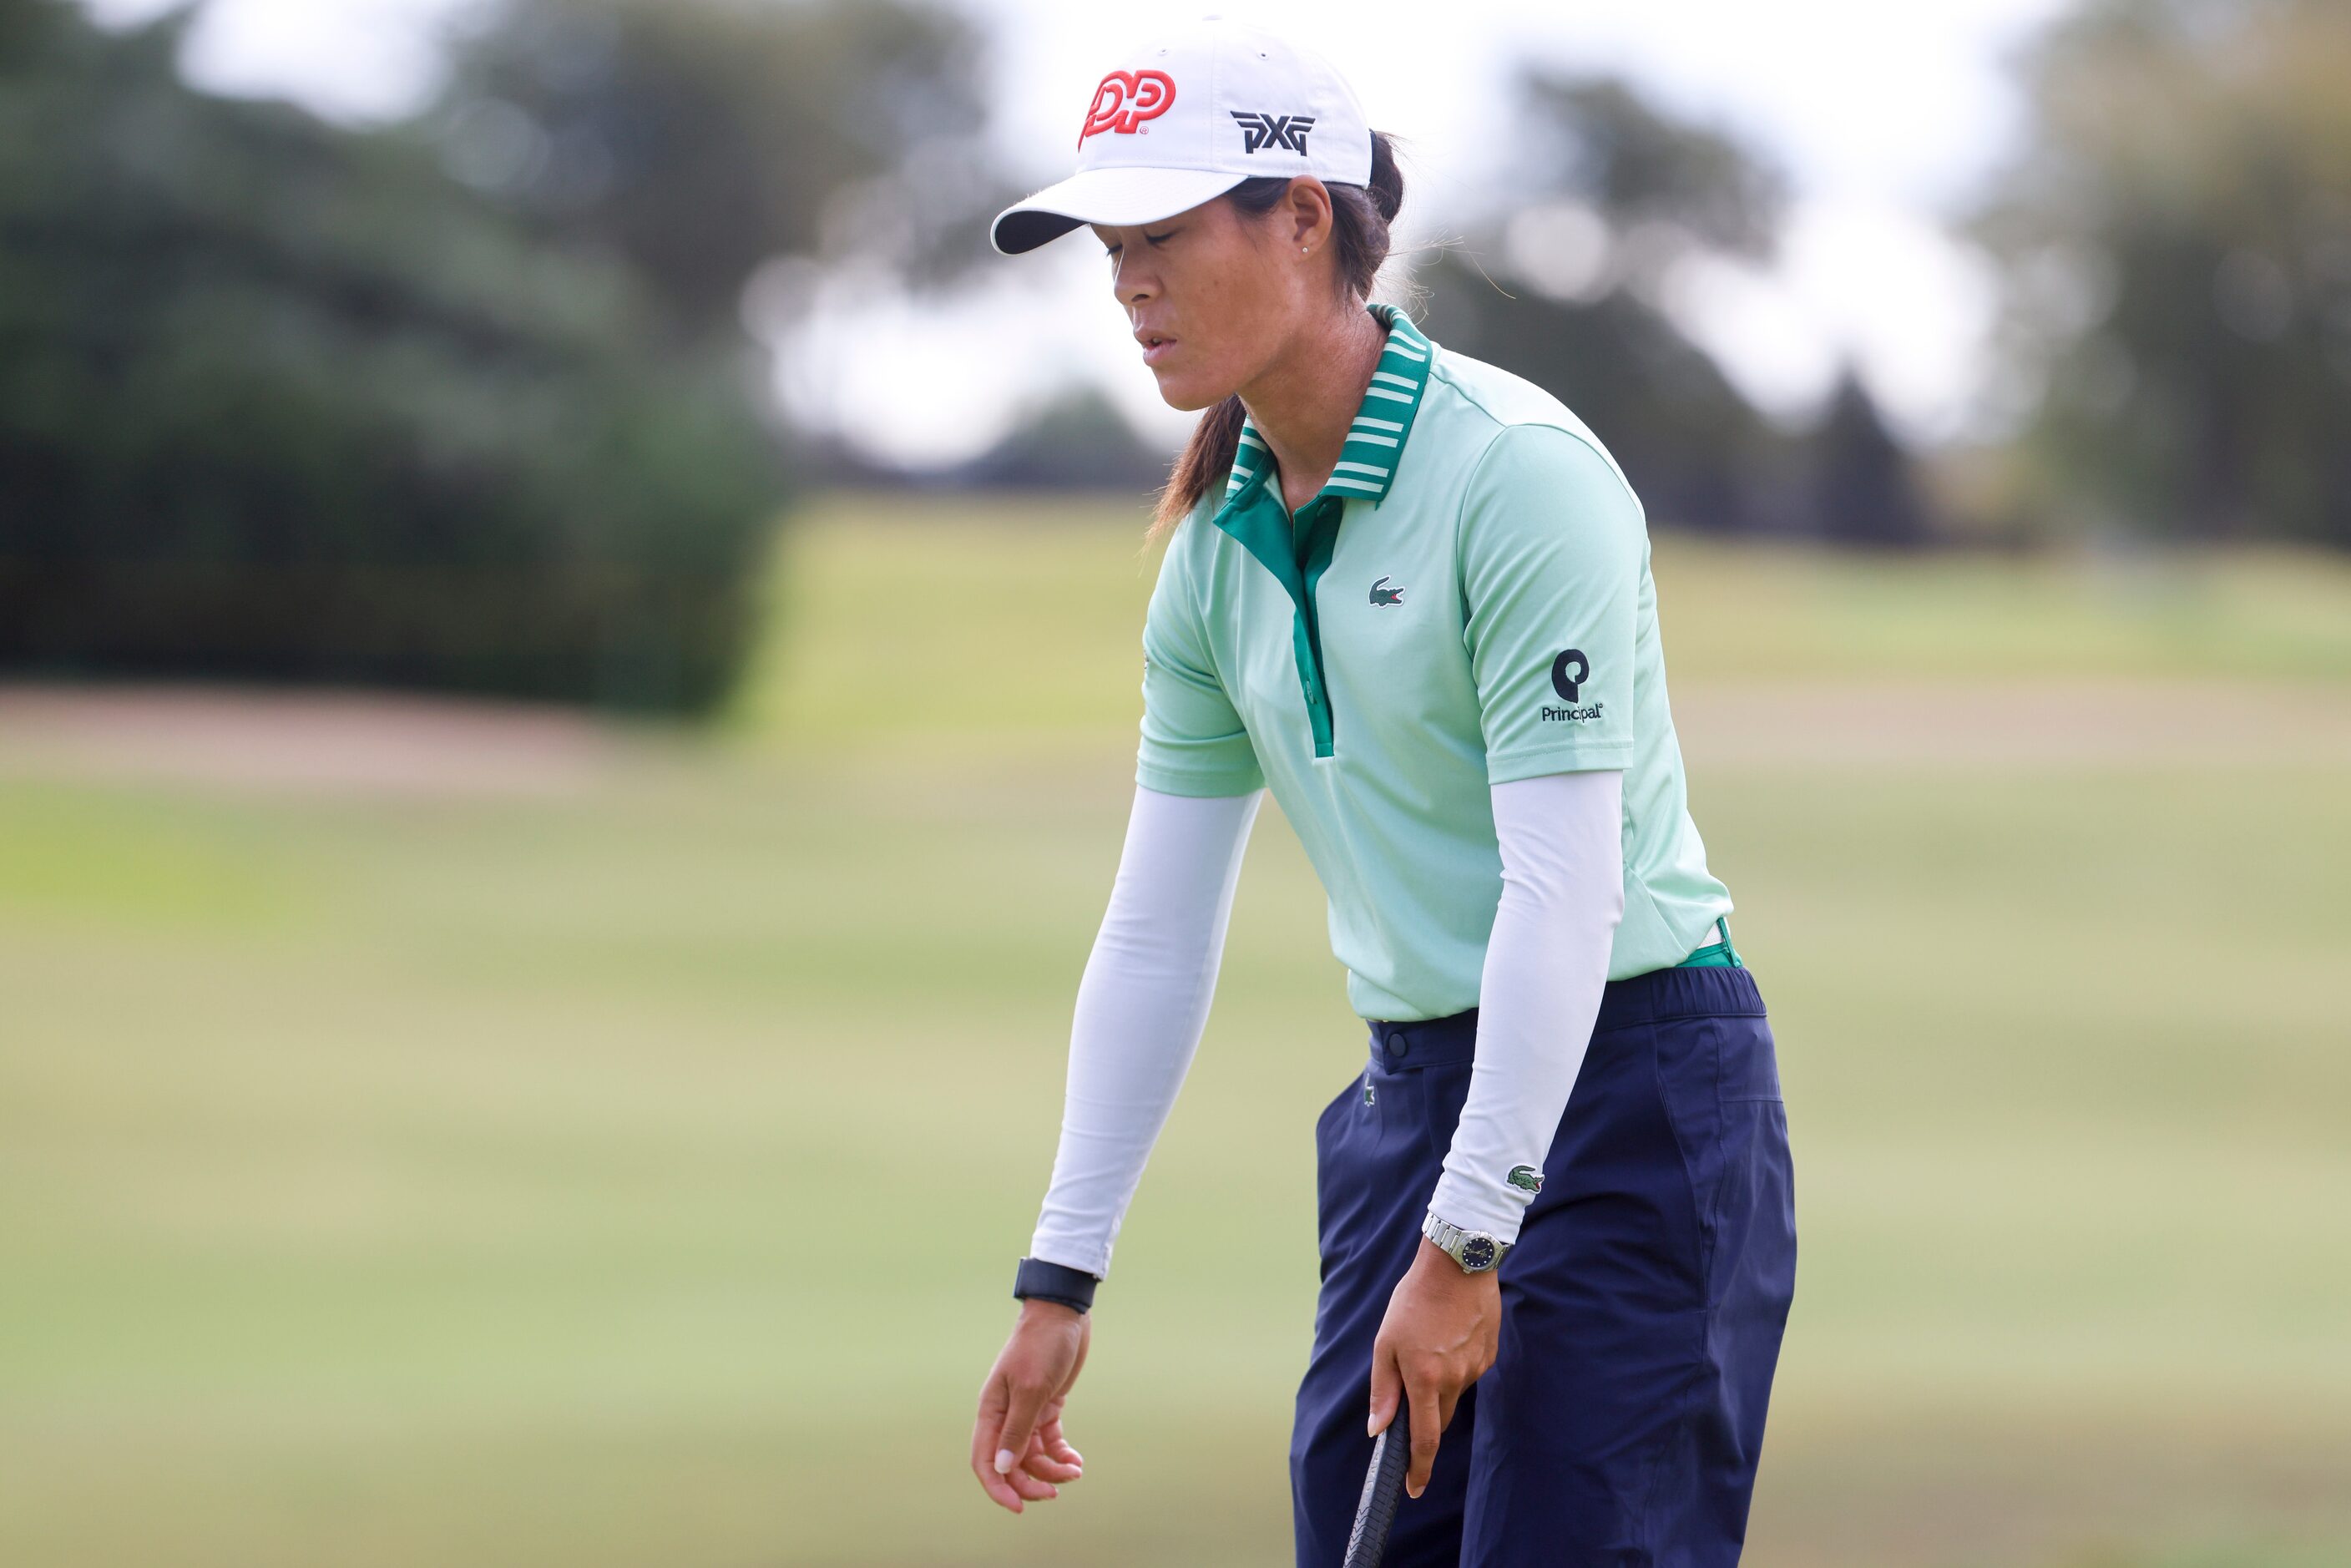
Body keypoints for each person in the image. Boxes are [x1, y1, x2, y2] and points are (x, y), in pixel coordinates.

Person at [968, 18, 1796, 1566]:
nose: (1130, 284)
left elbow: (1566, 892)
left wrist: (1471, 1235)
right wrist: (1057, 1277)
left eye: (1163, 236)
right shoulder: (1214, 558)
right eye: (1110, 249)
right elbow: (1156, 932)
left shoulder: (1518, 474)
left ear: (1301, 218)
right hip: (1412, 1105)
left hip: (1629, 1100)